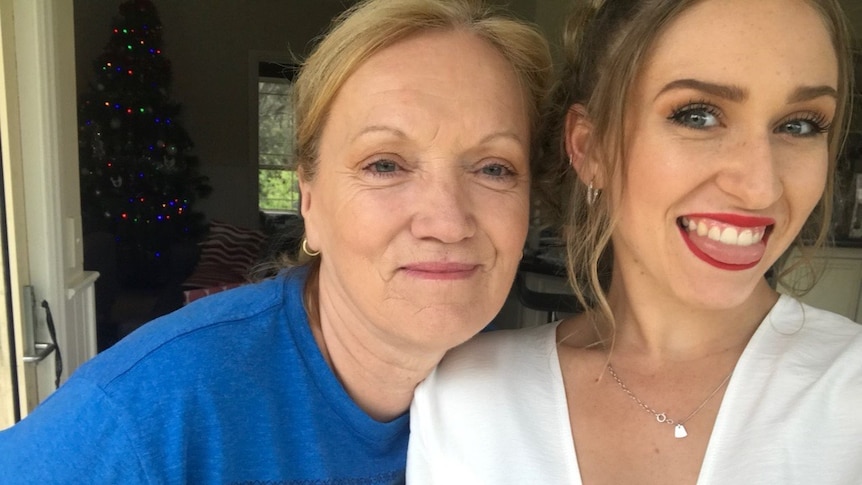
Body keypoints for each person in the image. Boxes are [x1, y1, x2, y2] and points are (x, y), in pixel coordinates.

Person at [0, 0, 551, 482]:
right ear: (308, 199)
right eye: (385, 164)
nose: (448, 221)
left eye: (495, 168)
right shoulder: (152, 408)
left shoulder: (542, 403)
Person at [407, 0, 862, 483]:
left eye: (799, 125)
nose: (761, 186)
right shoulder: (465, 395)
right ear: (590, 147)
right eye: (698, 116)